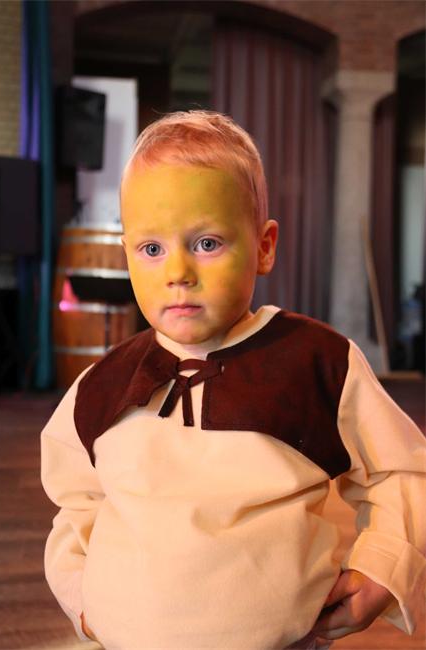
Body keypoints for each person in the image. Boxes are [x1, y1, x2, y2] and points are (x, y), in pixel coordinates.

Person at [41, 110, 426, 650]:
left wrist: (384, 566)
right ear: (127, 256)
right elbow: (77, 504)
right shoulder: (101, 386)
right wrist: (84, 604)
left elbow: (400, 470)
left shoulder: (315, 361)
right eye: (152, 249)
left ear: (264, 246)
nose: (178, 272)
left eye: (207, 243)